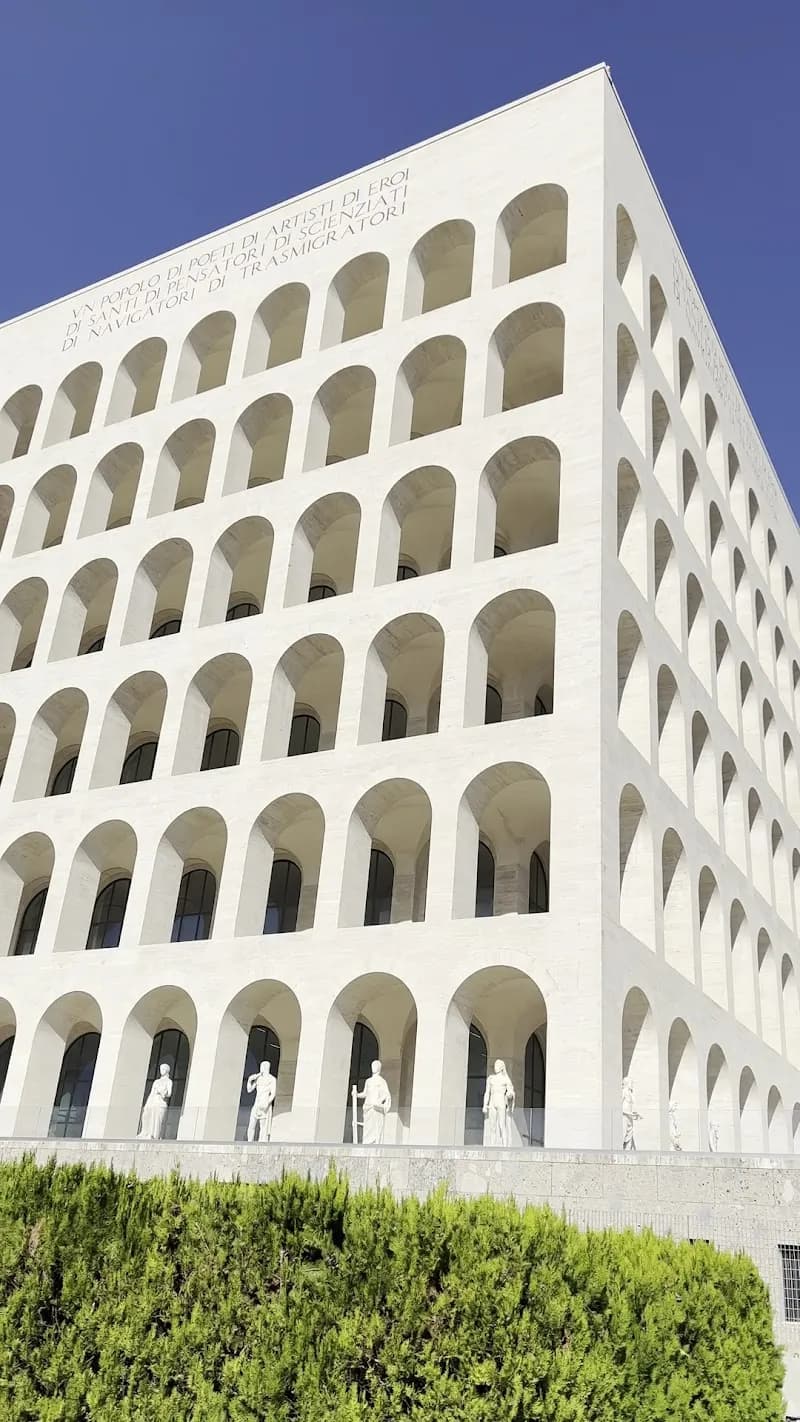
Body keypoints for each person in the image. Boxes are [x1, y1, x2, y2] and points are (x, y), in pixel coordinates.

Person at [353, 1060, 391, 1144]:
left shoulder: (382, 1081)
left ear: (379, 1068)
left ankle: (375, 1147)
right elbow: (365, 1093)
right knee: (367, 1129)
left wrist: (379, 1102)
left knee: (376, 1130)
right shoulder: (368, 1081)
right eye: (373, 1066)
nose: (374, 1068)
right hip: (368, 1108)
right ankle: (366, 1145)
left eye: (376, 1066)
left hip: (376, 1109)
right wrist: (356, 1094)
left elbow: (386, 1095)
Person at [482, 1059, 515, 1146]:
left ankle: (505, 1146)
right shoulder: (490, 1078)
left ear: (501, 1068)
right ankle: (492, 1145)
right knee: (492, 1126)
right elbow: (487, 1092)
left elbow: (511, 1091)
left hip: (501, 1102)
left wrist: (509, 1095)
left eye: (497, 1066)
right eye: (495, 1065)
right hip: (492, 1102)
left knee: (502, 1125)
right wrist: (485, 1105)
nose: (495, 1067)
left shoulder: (505, 1079)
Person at [138, 1063, 172, 1140]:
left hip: (160, 1103)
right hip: (153, 1101)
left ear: (167, 1071)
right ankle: (145, 1132)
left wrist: (162, 1092)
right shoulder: (156, 1081)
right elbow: (151, 1093)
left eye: (163, 1069)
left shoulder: (169, 1081)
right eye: (161, 1069)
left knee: (157, 1120)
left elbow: (169, 1094)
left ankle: (154, 1135)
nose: (161, 1071)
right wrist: (147, 1104)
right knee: (146, 1116)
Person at [246, 1060, 277, 1142]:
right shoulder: (258, 1078)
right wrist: (249, 1080)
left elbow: (273, 1094)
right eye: (261, 1066)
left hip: (264, 1104)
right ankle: (249, 1141)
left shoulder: (272, 1079)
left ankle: (261, 1142)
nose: (262, 1068)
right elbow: (249, 1090)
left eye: (263, 1067)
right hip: (257, 1104)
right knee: (251, 1124)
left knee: (263, 1126)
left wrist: (267, 1103)